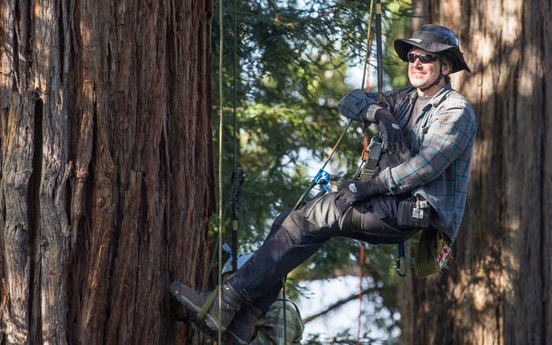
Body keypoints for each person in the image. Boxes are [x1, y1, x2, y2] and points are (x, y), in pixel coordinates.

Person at [171, 24, 477, 344]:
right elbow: (351, 100)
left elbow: (429, 164)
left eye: (426, 58)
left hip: (408, 209)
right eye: (412, 57)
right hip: (386, 202)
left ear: (445, 67)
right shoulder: (402, 100)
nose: (415, 63)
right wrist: (380, 114)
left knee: (313, 217)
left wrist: (369, 187)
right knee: (292, 223)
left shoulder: (456, 110)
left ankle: (227, 302)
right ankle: (243, 322)